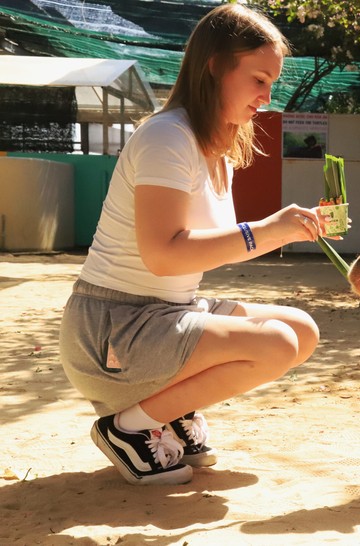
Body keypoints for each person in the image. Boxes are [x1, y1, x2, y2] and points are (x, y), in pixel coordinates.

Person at [59, 3, 339, 485]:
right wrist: (266, 230)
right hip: (113, 327)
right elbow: (164, 255)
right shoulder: (167, 137)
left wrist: (292, 228)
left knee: (302, 329)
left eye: (271, 84)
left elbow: (212, 247)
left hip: (165, 313)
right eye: (257, 79)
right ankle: (129, 428)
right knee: (276, 343)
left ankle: (170, 411)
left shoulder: (217, 150)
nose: (266, 98)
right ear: (214, 66)